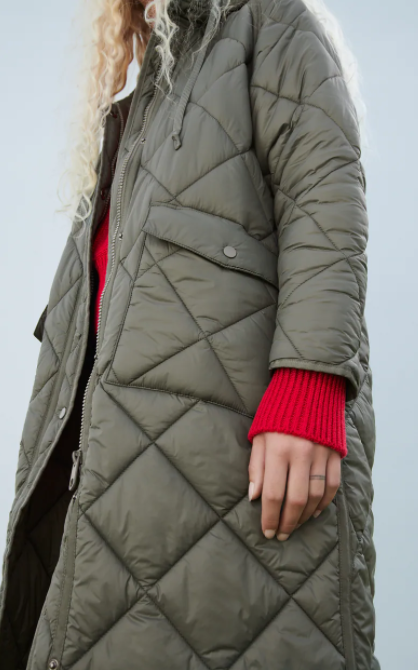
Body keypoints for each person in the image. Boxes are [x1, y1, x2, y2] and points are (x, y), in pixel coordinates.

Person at [0, 0, 380, 668]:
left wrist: (311, 386)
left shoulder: (272, 23)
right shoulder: (144, 97)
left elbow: (326, 196)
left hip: (236, 485)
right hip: (118, 504)